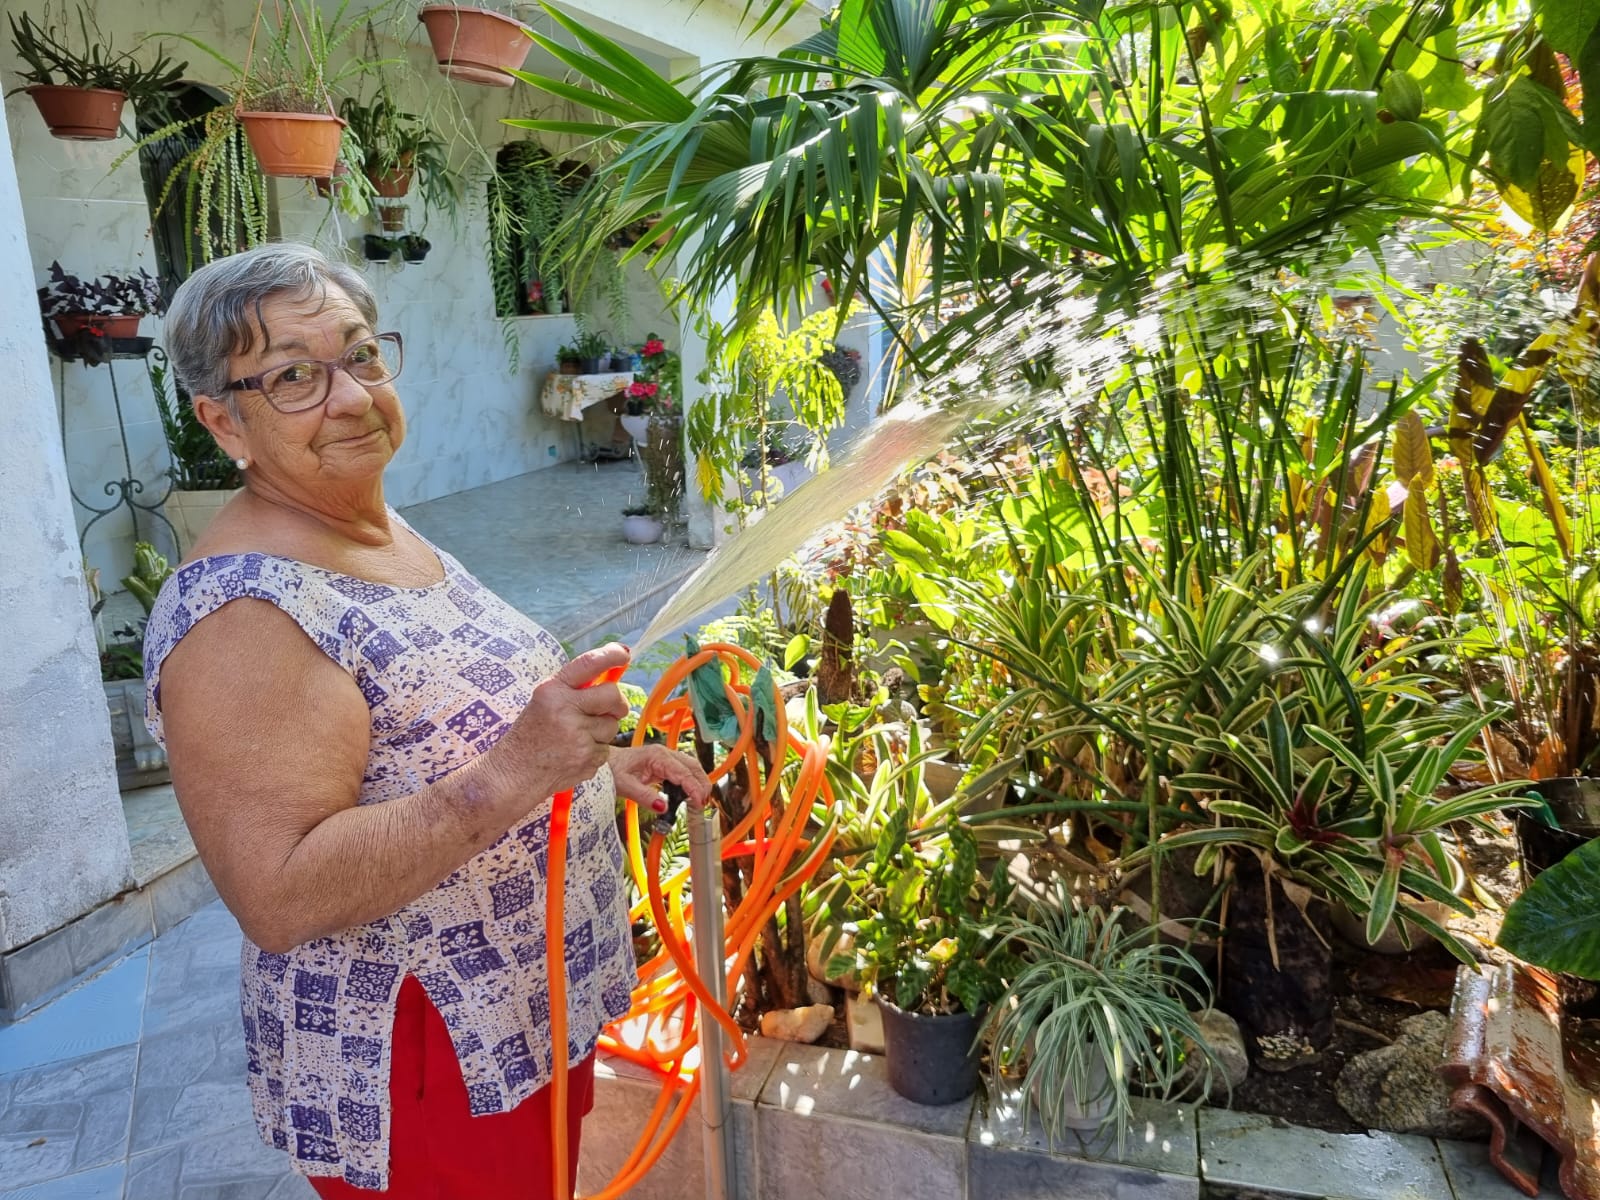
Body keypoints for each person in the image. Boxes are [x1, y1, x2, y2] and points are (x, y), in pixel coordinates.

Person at [141, 242, 710, 1198]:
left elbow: (435, 728)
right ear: (221, 419)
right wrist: (514, 773)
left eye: (360, 355)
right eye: (292, 377)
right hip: (425, 1061)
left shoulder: (366, 520)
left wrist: (589, 764)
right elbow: (280, 893)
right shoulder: (243, 616)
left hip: (519, 1021)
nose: (354, 397)